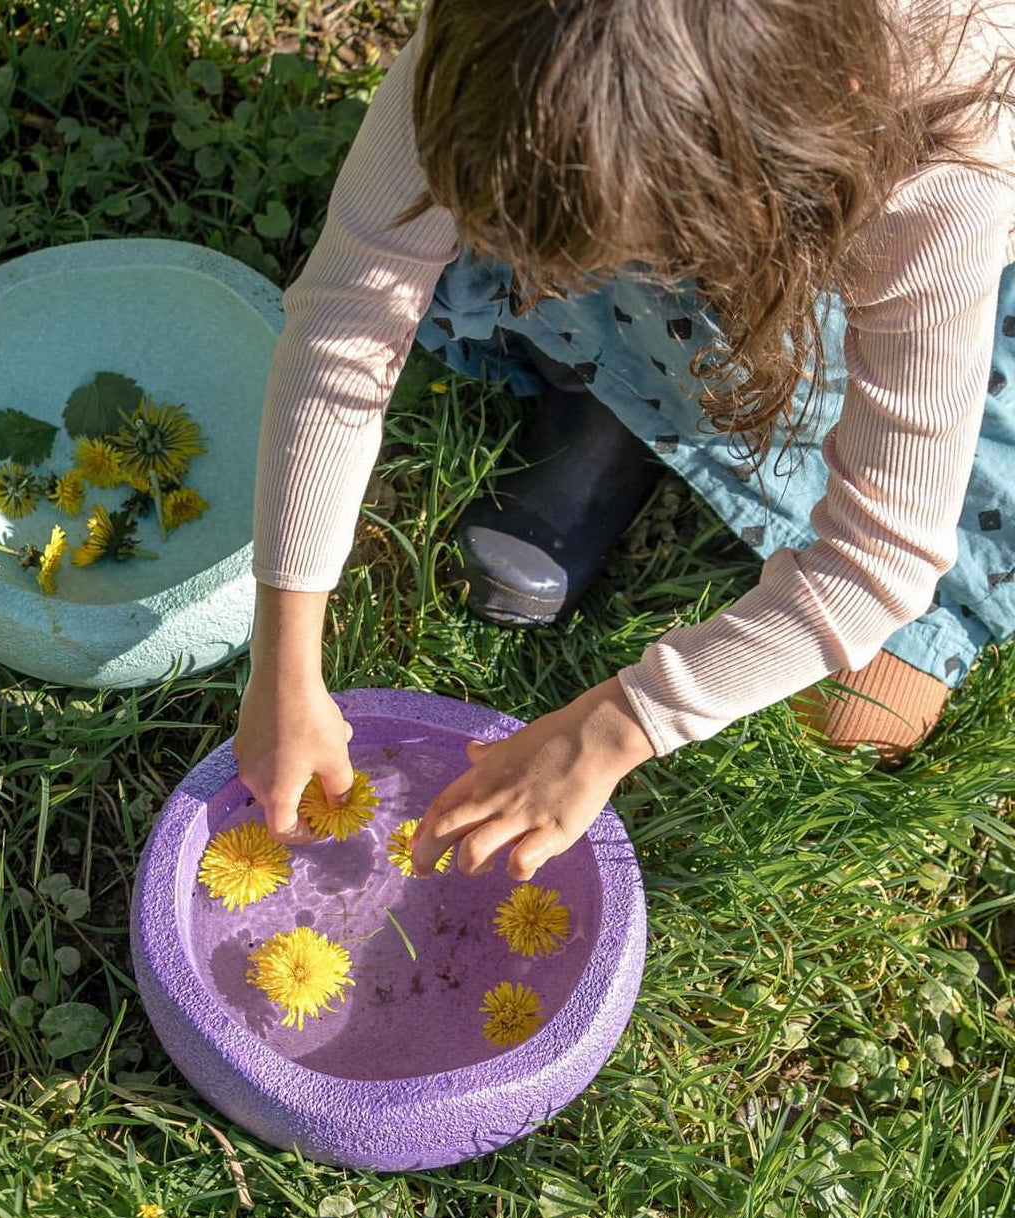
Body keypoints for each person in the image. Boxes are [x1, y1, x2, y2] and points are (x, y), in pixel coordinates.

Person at [231, 0, 1015, 882]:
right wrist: (285, 659)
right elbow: (350, 315)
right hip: (674, 188)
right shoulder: (518, 40)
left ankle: (634, 370)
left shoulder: (940, 172)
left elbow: (882, 559)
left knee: (865, 720)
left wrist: (613, 729)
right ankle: (607, 386)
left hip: (843, 262)